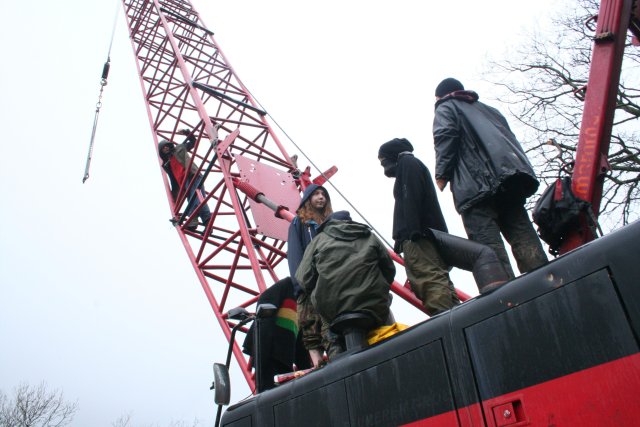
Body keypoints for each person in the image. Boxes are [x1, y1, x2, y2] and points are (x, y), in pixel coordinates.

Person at [432, 78, 547, 277]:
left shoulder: (446, 107)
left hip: (475, 187)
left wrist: (442, 173)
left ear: (441, 95)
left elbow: (445, 137)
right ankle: (544, 281)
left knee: (488, 248)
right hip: (508, 181)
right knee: (522, 233)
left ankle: (507, 297)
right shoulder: (490, 111)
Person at [378, 138, 460, 316]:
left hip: (418, 236)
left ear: (392, 155)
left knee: (428, 279)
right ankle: (455, 313)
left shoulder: (407, 164)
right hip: (425, 234)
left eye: (383, 160)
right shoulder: (412, 164)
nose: (383, 166)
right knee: (438, 279)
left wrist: (412, 230)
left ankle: (446, 318)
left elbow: (411, 195)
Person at [295, 211, 395, 350]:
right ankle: (392, 342)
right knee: (385, 301)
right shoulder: (368, 235)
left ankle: (336, 352)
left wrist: (320, 290)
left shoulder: (318, 241)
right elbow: (389, 270)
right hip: (372, 304)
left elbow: (303, 279)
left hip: (332, 307)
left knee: (327, 324)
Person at [287, 184, 335, 367]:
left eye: (323, 194)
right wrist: (299, 283)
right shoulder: (299, 222)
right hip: (308, 283)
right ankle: (316, 363)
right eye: (316, 194)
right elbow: (295, 254)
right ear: (308, 198)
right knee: (310, 326)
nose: (321, 197)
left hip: (328, 281)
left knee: (329, 323)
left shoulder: (330, 222)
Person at [158, 126, 217, 231]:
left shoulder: (179, 148)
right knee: (195, 200)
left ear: (169, 145)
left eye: (166, 146)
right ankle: (206, 222)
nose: (165, 149)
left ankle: (195, 221)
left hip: (192, 174)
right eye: (163, 149)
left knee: (196, 198)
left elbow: (193, 142)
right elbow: (173, 181)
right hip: (184, 182)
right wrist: (175, 197)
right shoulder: (167, 164)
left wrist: (186, 132)